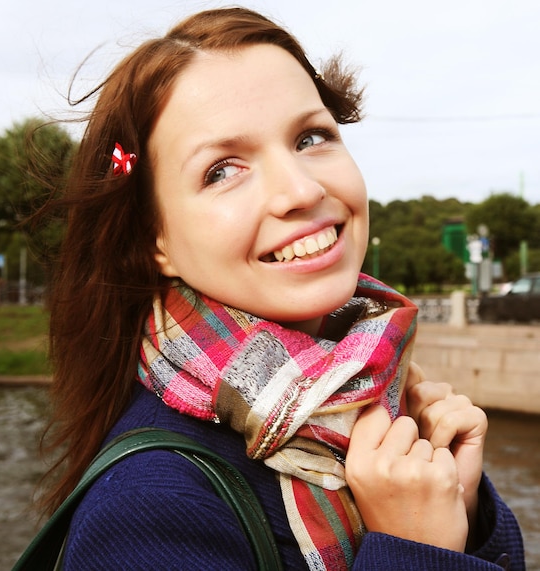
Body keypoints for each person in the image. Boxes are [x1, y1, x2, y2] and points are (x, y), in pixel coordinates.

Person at [37, 7, 525, 570]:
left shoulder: (378, 406)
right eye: (222, 169)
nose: (300, 188)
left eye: (311, 136)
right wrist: (419, 553)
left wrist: (462, 512)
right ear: (155, 241)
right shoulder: (146, 512)